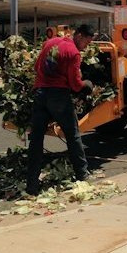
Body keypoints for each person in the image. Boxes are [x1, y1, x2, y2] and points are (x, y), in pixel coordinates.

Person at [26, 24, 95, 195]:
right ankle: (82, 174)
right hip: (58, 97)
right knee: (73, 135)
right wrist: (86, 85)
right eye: (86, 42)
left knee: (36, 140)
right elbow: (75, 84)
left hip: (40, 94)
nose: (86, 46)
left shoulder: (50, 43)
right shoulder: (73, 53)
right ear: (79, 35)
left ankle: (32, 185)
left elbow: (36, 67)